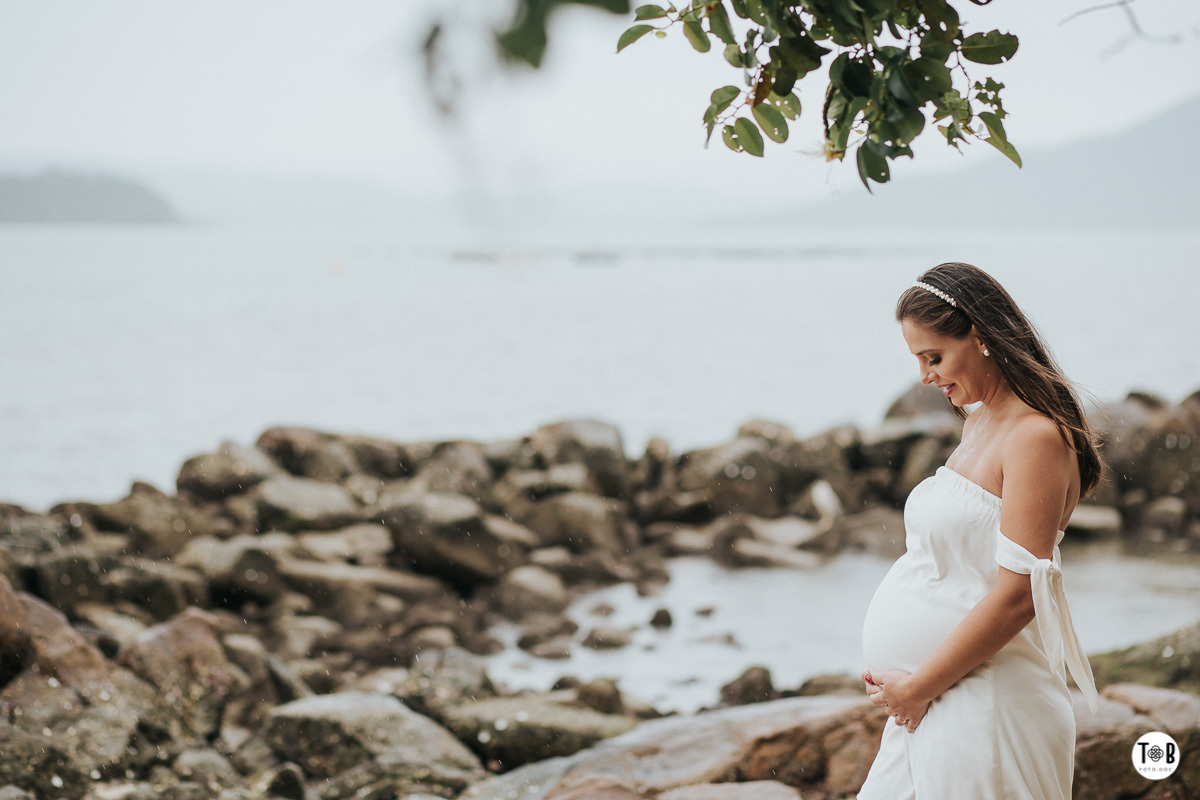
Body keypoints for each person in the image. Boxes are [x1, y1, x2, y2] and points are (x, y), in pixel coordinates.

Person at [856, 263, 1103, 800]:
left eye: (934, 357)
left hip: (985, 707)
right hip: (937, 702)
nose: (925, 376)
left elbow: (1019, 598)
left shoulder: (1036, 437)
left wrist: (917, 687)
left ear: (981, 336)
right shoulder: (978, 421)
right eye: (919, 360)